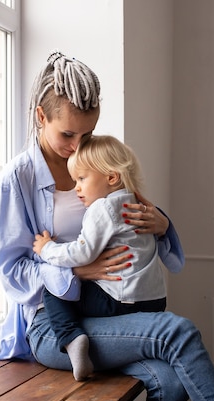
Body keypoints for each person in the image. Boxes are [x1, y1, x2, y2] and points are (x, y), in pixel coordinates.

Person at [0, 50, 214, 401]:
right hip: (57, 325)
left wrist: (162, 224)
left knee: (170, 384)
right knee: (178, 332)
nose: (79, 144)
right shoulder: (18, 179)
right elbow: (12, 272)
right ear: (41, 117)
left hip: (114, 309)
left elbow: (134, 228)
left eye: (88, 132)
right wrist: (76, 270)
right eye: (68, 133)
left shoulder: (97, 162)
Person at [33, 134, 176, 381]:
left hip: (119, 301)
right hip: (153, 301)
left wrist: (47, 249)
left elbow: (82, 252)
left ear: (111, 177)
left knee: (54, 287)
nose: (76, 187)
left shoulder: (103, 208)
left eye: (81, 178)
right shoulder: (138, 205)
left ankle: (72, 339)